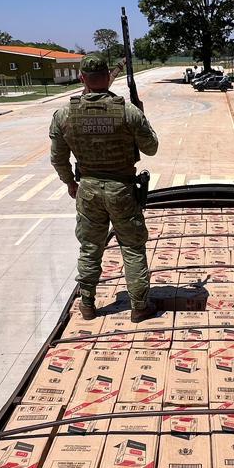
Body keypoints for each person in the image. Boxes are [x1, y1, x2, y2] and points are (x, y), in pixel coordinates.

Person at [50, 53, 160, 322]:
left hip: (87, 189)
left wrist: (70, 182)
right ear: (108, 76)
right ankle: (139, 306)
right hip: (121, 189)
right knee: (132, 247)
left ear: (81, 78)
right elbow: (151, 148)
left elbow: (58, 158)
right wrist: (141, 117)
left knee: (90, 247)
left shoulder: (65, 114)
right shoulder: (127, 111)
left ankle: (87, 304)